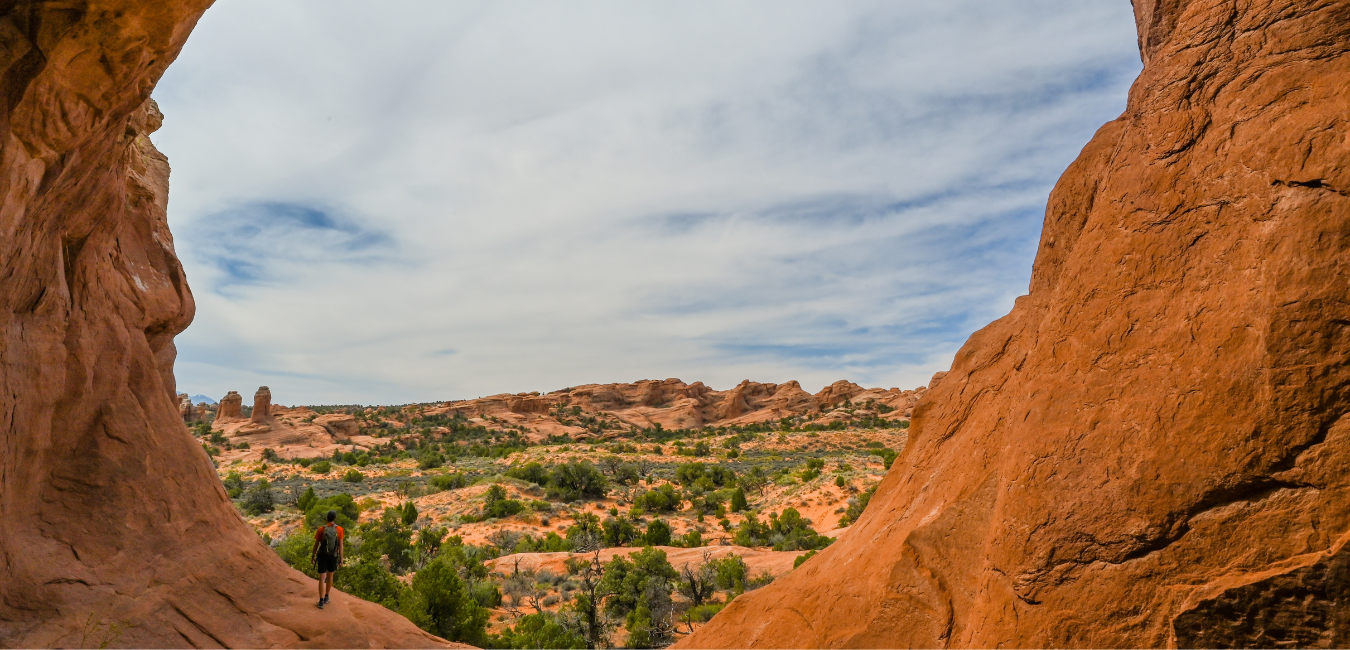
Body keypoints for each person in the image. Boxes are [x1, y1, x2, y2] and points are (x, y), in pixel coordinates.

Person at [310, 510, 344, 608]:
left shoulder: (321, 529)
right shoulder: (339, 529)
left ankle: (321, 602)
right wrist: (341, 559)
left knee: (322, 578)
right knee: (330, 576)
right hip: (333, 556)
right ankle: (327, 597)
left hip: (322, 556)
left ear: (327, 518)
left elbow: (316, 544)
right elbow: (341, 546)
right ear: (335, 518)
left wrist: (313, 556)